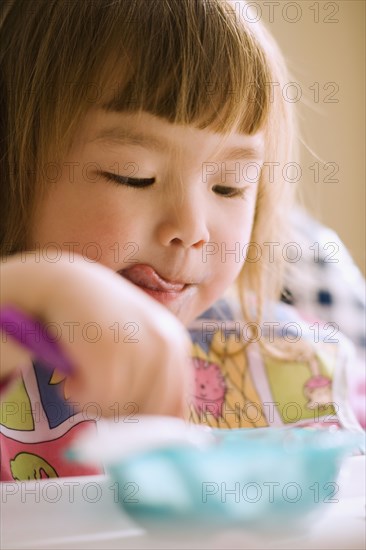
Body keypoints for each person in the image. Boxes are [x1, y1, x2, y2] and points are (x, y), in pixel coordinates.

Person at [0, 0, 363, 481]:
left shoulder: (300, 360)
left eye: (229, 186)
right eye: (132, 176)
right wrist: (40, 293)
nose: (192, 228)